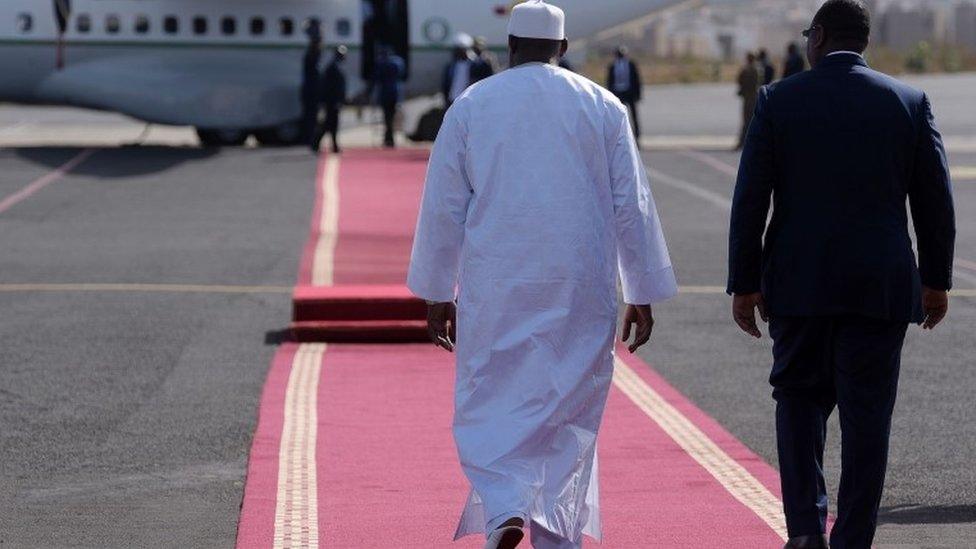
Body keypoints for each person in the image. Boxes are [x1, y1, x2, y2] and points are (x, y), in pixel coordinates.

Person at [407, 2, 677, 548]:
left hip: (497, 283)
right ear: (563, 47)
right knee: (568, 408)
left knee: (493, 397)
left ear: (509, 47)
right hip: (581, 284)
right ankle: (556, 534)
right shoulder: (603, 106)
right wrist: (642, 291)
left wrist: (438, 291)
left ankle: (506, 507)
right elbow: (633, 204)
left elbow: (443, 205)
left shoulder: (472, 105)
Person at [727, 2, 955, 548]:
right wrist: (937, 279)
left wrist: (744, 280)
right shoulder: (907, 101)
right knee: (867, 419)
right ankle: (854, 538)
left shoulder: (779, 100)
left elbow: (750, 198)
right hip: (879, 289)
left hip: (799, 287)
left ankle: (806, 530)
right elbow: (935, 201)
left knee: (799, 405)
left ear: (820, 36)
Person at [313, 45, 348, 154]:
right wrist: (335, 100)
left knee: (331, 124)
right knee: (329, 124)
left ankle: (333, 146)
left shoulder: (335, 66)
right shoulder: (333, 68)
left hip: (333, 101)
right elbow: (331, 87)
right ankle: (316, 143)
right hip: (332, 101)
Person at [371, 45, 406, 148]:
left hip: (385, 93)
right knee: (391, 116)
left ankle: (388, 137)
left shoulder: (382, 63)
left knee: (387, 116)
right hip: (395, 92)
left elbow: (377, 77)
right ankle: (390, 137)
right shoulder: (398, 62)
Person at [606, 46, 642, 140]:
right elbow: (610, 81)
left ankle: (637, 136)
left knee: (633, 116)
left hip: (629, 93)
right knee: (618, 116)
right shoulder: (613, 66)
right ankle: (619, 136)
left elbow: (636, 79)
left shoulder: (631, 64)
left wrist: (638, 94)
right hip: (618, 93)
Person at [300, 23, 323, 145]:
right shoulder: (311, 58)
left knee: (311, 117)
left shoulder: (310, 57)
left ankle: (310, 139)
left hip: (310, 91)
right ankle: (310, 139)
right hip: (311, 92)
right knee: (311, 117)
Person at [735, 52, 760, 150]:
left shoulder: (747, 69)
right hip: (753, 97)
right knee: (750, 121)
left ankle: (743, 142)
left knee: (747, 121)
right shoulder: (756, 69)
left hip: (748, 97)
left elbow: (740, 80)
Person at [442, 33, 476, 108]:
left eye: (459, 49)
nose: (456, 52)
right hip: (452, 101)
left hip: (468, 101)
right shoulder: (451, 66)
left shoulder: (475, 65)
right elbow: (445, 84)